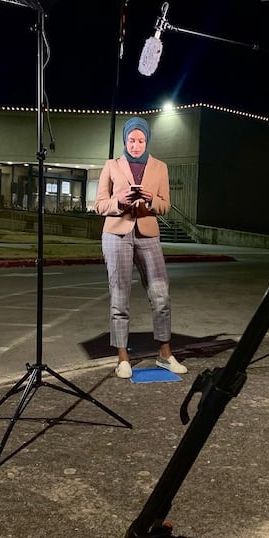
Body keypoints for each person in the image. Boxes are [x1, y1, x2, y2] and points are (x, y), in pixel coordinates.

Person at [94, 116, 188, 379]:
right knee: (119, 295)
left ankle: (165, 354)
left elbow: (165, 205)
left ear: (147, 141)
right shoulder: (111, 166)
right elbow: (99, 204)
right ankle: (123, 357)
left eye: (141, 140)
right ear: (125, 140)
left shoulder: (159, 167)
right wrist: (119, 201)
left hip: (148, 233)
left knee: (161, 294)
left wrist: (150, 199)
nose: (136, 145)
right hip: (116, 234)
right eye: (131, 140)